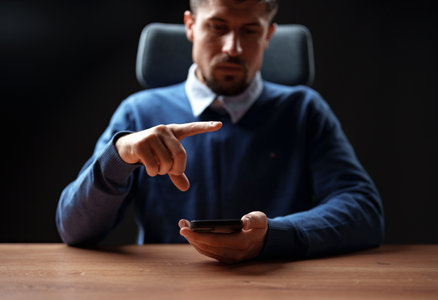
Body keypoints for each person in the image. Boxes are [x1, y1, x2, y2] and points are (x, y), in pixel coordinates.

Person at [56, 0, 384, 264]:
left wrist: (273, 236)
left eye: (250, 31)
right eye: (218, 27)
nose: (233, 48)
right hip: (167, 289)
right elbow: (73, 229)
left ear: (269, 35)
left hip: (276, 286)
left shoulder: (304, 110)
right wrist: (119, 156)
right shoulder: (138, 113)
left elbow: (363, 210)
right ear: (190, 26)